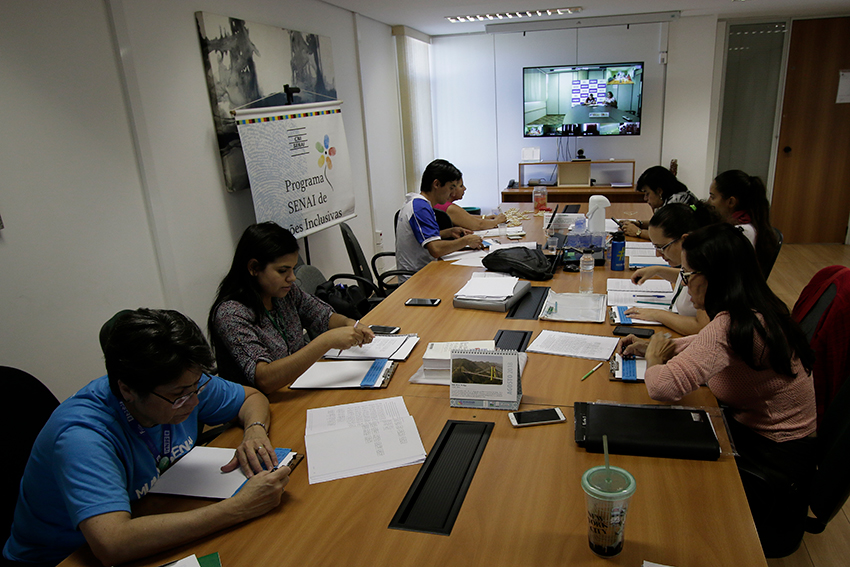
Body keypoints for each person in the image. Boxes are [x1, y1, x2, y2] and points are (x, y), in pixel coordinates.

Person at [3, 309, 291, 566]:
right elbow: (112, 543)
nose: (192, 403)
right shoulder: (83, 436)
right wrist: (239, 508)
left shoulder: (179, 380)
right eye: (178, 397)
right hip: (66, 556)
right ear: (127, 390)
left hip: (145, 513)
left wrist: (254, 429)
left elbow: (251, 398)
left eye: (196, 388)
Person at [619, 223, 816, 557]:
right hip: (788, 452)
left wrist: (654, 360)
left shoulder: (729, 326)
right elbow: (704, 345)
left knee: (652, 467)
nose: (684, 283)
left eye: (686, 274)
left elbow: (663, 387)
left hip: (767, 463)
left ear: (710, 276)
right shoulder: (758, 308)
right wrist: (653, 344)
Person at [208, 223, 374, 393]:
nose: (292, 278)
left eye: (293, 269)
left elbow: (322, 315)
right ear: (254, 268)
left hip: (298, 385)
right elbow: (264, 379)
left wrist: (350, 324)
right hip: (263, 405)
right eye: (282, 271)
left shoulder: (285, 293)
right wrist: (326, 341)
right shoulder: (231, 315)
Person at [624, 203, 720, 335]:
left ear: (685, 239)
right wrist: (658, 270)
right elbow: (684, 277)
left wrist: (657, 314)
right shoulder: (695, 267)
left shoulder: (707, 269)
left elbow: (701, 327)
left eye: (662, 247)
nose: (658, 254)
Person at [395, 159, 484, 281]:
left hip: (424, 272)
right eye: (451, 187)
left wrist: (448, 232)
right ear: (436, 184)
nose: (453, 193)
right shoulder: (420, 208)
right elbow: (436, 249)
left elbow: (418, 238)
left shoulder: (418, 204)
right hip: (416, 280)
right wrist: (466, 241)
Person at [707, 169, 780, 275]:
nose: (709, 202)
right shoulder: (743, 223)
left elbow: (717, 271)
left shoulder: (742, 232)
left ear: (731, 202)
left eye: (713, 197)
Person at [620, 166, 699, 240]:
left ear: (659, 191)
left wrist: (638, 232)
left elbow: (665, 237)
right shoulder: (676, 197)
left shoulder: (676, 204)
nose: (645, 198)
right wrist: (639, 224)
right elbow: (662, 224)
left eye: (647, 193)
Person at [432, 177, 507, 231]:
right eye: (461, 186)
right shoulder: (449, 208)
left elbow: (466, 217)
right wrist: (497, 221)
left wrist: (485, 217)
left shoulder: (439, 203)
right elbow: (477, 225)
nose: (465, 188)